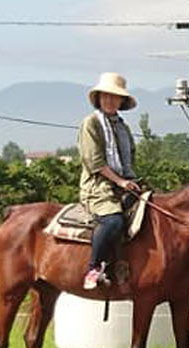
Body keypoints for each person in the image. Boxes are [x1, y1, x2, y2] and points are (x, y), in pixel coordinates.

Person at [77, 72, 142, 290]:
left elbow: (129, 159)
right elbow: (94, 161)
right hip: (98, 187)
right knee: (113, 220)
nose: (109, 100)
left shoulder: (123, 127)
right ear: (98, 98)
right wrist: (121, 182)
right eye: (105, 96)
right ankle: (93, 268)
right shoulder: (91, 124)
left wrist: (130, 181)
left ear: (122, 101)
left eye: (115, 97)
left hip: (123, 182)